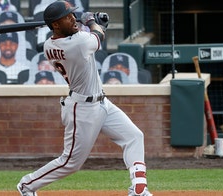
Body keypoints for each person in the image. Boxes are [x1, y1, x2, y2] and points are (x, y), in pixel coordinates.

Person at [16, 1, 152, 196]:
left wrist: (90, 23)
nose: (73, 19)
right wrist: (93, 22)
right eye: (68, 17)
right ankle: (27, 185)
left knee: (134, 136)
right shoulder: (78, 44)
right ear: (55, 25)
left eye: (73, 15)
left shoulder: (49, 44)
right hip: (82, 109)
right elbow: (98, 35)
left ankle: (139, 189)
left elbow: (83, 33)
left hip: (102, 102)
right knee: (71, 163)